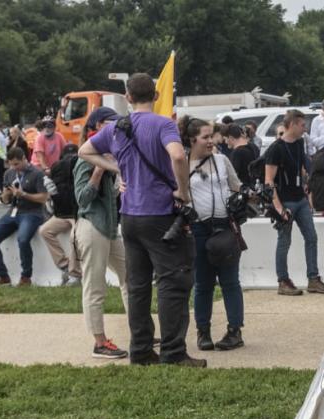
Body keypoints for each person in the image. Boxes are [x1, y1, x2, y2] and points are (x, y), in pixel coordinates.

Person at [79, 72, 205, 368]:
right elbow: (176, 156)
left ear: (128, 97)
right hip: (160, 214)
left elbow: (85, 151)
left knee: (137, 286)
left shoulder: (118, 127)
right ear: (157, 96)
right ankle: (174, 352)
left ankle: (141, 350)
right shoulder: (163, 124)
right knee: (172, 282)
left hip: (130, 215)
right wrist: (183, 192)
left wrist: (117, 168)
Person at [180, 116, 246, 352]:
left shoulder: (221, 160)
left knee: (230, 282)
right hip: (197, 228)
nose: (211, 141)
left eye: (212, 136)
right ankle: (203, 332)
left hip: (224, 226)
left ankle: (234, 331)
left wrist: (246, 199)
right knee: (203, 284)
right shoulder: (182, 163)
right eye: (205, 137)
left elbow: (237, 186)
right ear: (192, 139)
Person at [73, 106, 129, 360]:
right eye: (109, 124)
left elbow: (111, 198)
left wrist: (119, 186)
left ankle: (140, 329)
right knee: (95, 287)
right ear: (96, 128)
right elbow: (83, 199)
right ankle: (99, 342)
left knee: (131, 277)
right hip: (92, 227)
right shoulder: (85, 157)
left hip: (109, 228)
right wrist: (98, 171)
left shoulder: (109, 156)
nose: (115, 129)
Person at [264, 109, 324, 296]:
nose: (305, 128)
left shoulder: (300, 143)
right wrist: (278, 208)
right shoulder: (275, 149)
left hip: (300, 199)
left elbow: (301, 169)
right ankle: (283, 280)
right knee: (284, 241)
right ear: (292, 124)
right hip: (285, 201)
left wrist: (306, 189)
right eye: (302, 125)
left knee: (311, 237)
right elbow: (269, 180)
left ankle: (313, 278)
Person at [0, 147, 49, 286]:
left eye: (17, 164)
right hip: (13, 212)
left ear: (24, 158)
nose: (14, 167)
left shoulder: (37, 174)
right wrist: (6, 195)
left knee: (23, 239)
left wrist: (24, 194)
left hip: (32, 213)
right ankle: (2, 276)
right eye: (12, 164)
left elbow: (44, 198)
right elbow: (4, 200)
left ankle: (26, 277)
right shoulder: (9, 173)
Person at [38, 142, 82, 285]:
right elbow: (53, 196)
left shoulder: (82, 168)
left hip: (79, 214)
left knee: (74, 237)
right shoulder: (58, 169)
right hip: (63, 213)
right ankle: (64, 265)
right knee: (45, 230)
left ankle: (76, 274)